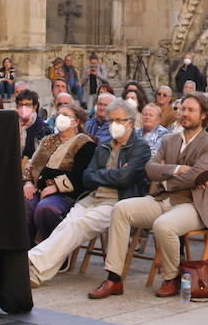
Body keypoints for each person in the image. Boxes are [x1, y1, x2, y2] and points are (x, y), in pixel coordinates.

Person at [89, 94, 208, 298]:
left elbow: (198, 176)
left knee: (164, 225)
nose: (185, 114)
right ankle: (114, 278)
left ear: (203, 115)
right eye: (182, 109)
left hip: (195, 204)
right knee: (121, 209)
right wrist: (179, 169)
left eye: (191, 110)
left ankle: (172, 277)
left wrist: (166, 178)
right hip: (162, 199)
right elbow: (150, 169)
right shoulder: (169, 139)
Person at [28, 100, 150, 288]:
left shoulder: (140, 147)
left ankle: (31, 261)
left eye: (119, 120)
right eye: (111, 120)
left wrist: (104, 175)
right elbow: (87, 177)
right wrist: (112, 175)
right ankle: (35, 275)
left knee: (79, 226)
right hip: (93, 196)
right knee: (66, 225)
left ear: (131, 122)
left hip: (118, 201)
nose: (114, 124)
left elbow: (126, 179)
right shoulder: (104, 146)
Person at [23, 104, 95, 243]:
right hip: (40, 189)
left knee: (46, 208)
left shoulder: (85, 144)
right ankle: (26, 248)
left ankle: (52, 250)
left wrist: (56, 186)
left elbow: (81, 175)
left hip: (66, 194)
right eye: (59, 114)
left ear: (76, 121)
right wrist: (28, 182)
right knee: (25, 204)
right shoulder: (48, 140)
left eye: (66, 115)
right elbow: (32, 163)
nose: (60, 117)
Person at [16, 89, 50, 159]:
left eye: (27, 105)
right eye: (21, 105)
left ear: (34, 107)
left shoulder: (43, 128)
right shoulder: (13, 125)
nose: (23, 108)